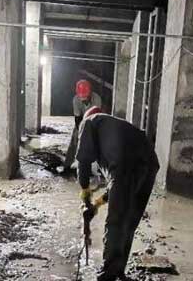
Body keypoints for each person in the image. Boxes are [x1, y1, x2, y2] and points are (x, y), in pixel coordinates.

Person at [76, 106, 160, 281]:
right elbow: (117, 189)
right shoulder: (114, 131)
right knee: (128, 221)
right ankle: (118, 269)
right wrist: (96, 205)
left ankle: (108, 273)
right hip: (150, 163)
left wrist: (85, 195)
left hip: (125, 165)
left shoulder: (89, 122)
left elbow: (83, 161)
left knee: (115, 221)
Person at [63, 80, 102, 169]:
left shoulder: (97, 99)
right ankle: (68, 165)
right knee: (75, 138)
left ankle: (98, 166)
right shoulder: (76, 99)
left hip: (95, 119)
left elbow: (96, 117)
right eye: (81, 96)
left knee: (96, 140)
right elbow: (78, 118)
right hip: (81, 120)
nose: (83, 98)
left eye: (85, 96)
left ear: (89, 93)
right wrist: (80, 131)